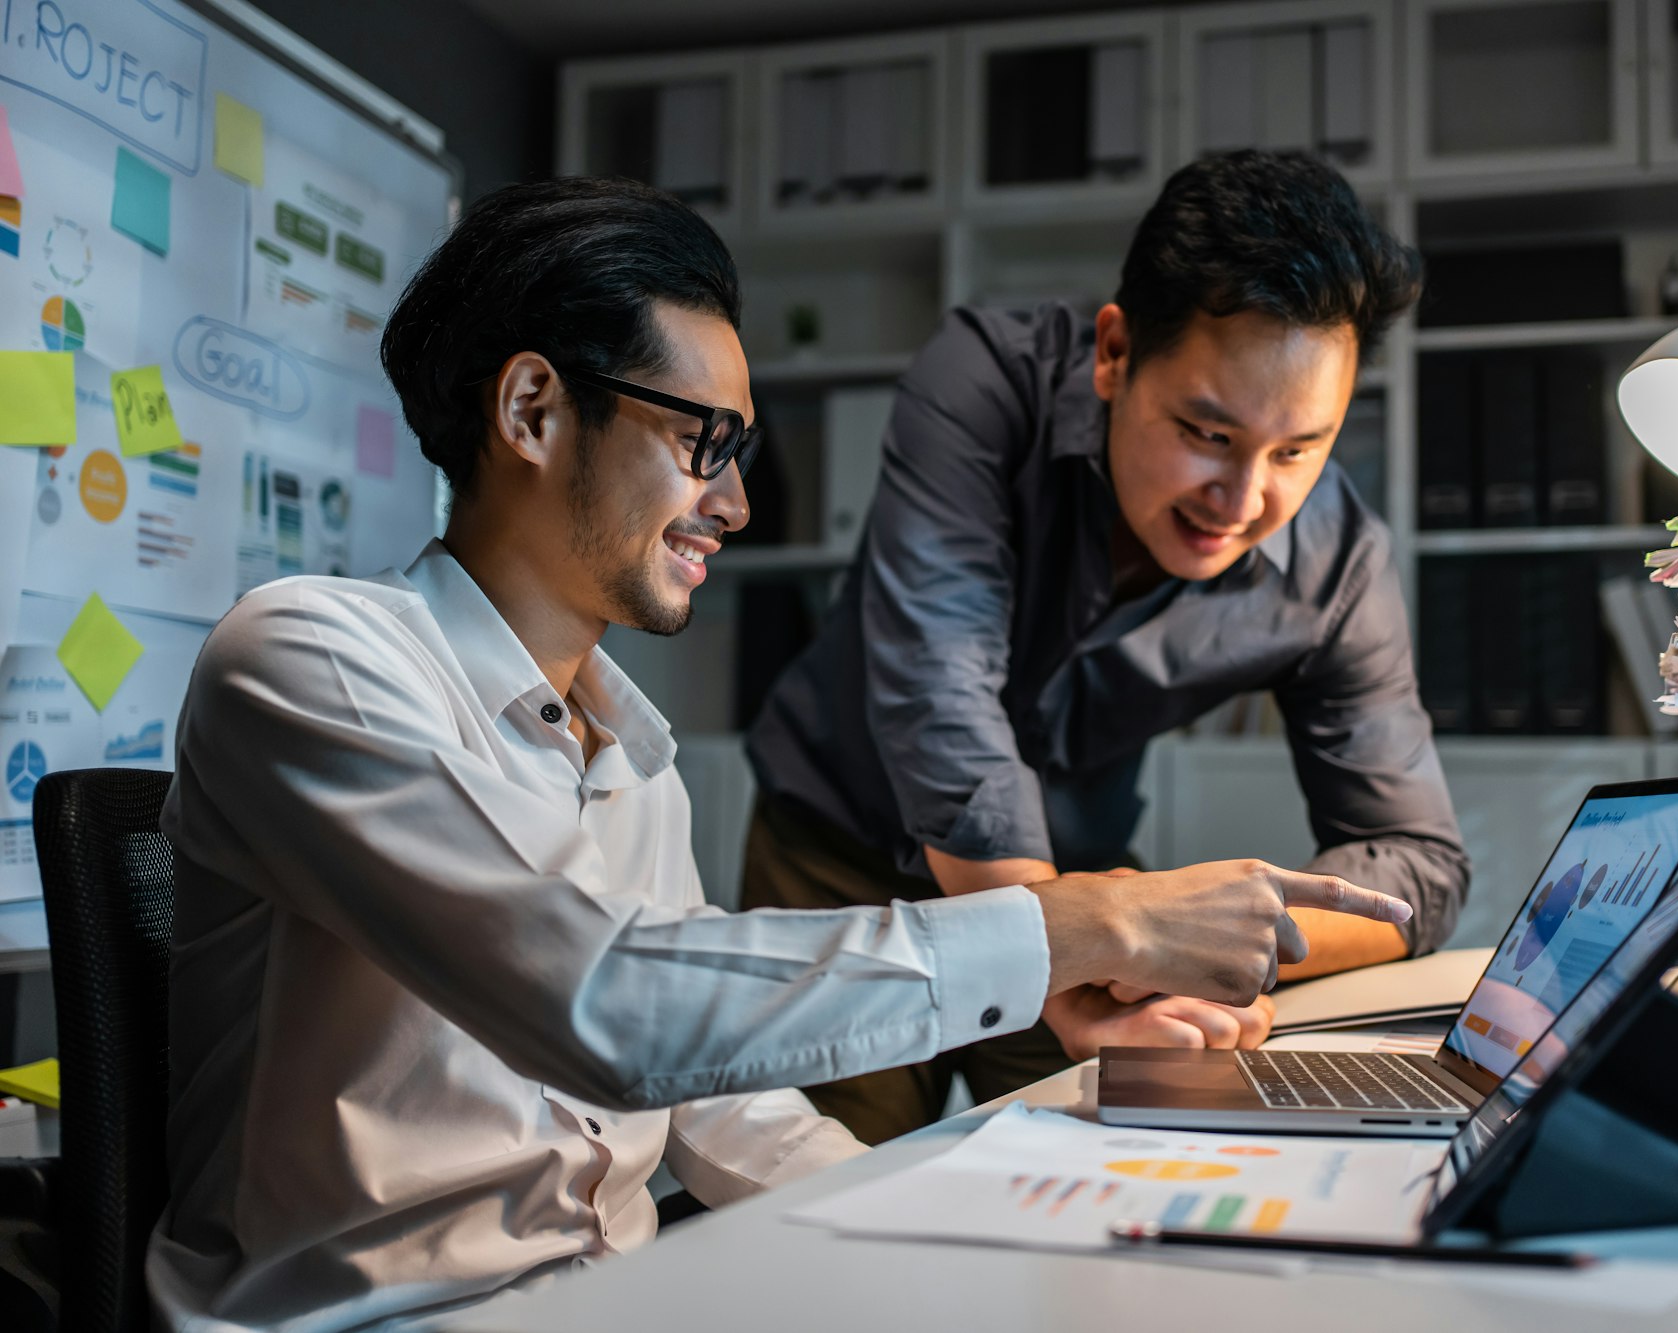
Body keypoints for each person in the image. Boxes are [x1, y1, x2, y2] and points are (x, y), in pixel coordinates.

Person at [145, 176, 1412, 1330]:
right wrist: (1082, 924)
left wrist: (938, 1223)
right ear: (533, 409)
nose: (735, 505)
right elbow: (609, 1011)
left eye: (738, 453)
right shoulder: (309, 661)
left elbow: (707, 1100)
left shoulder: (629, 747)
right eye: (703, 441)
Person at [742, 150, 1470, 1146]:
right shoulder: (984, 382)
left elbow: (1418, 869)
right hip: (839, 863)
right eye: (1207, 434)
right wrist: (1099, 938)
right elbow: (941, 699)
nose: (1245, 499)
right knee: (816, 1184)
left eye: (1298, 449)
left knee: (1125, 1155)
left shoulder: (1335, 564)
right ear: (1115, 352)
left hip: (1084, 893)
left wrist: (1213, 937)